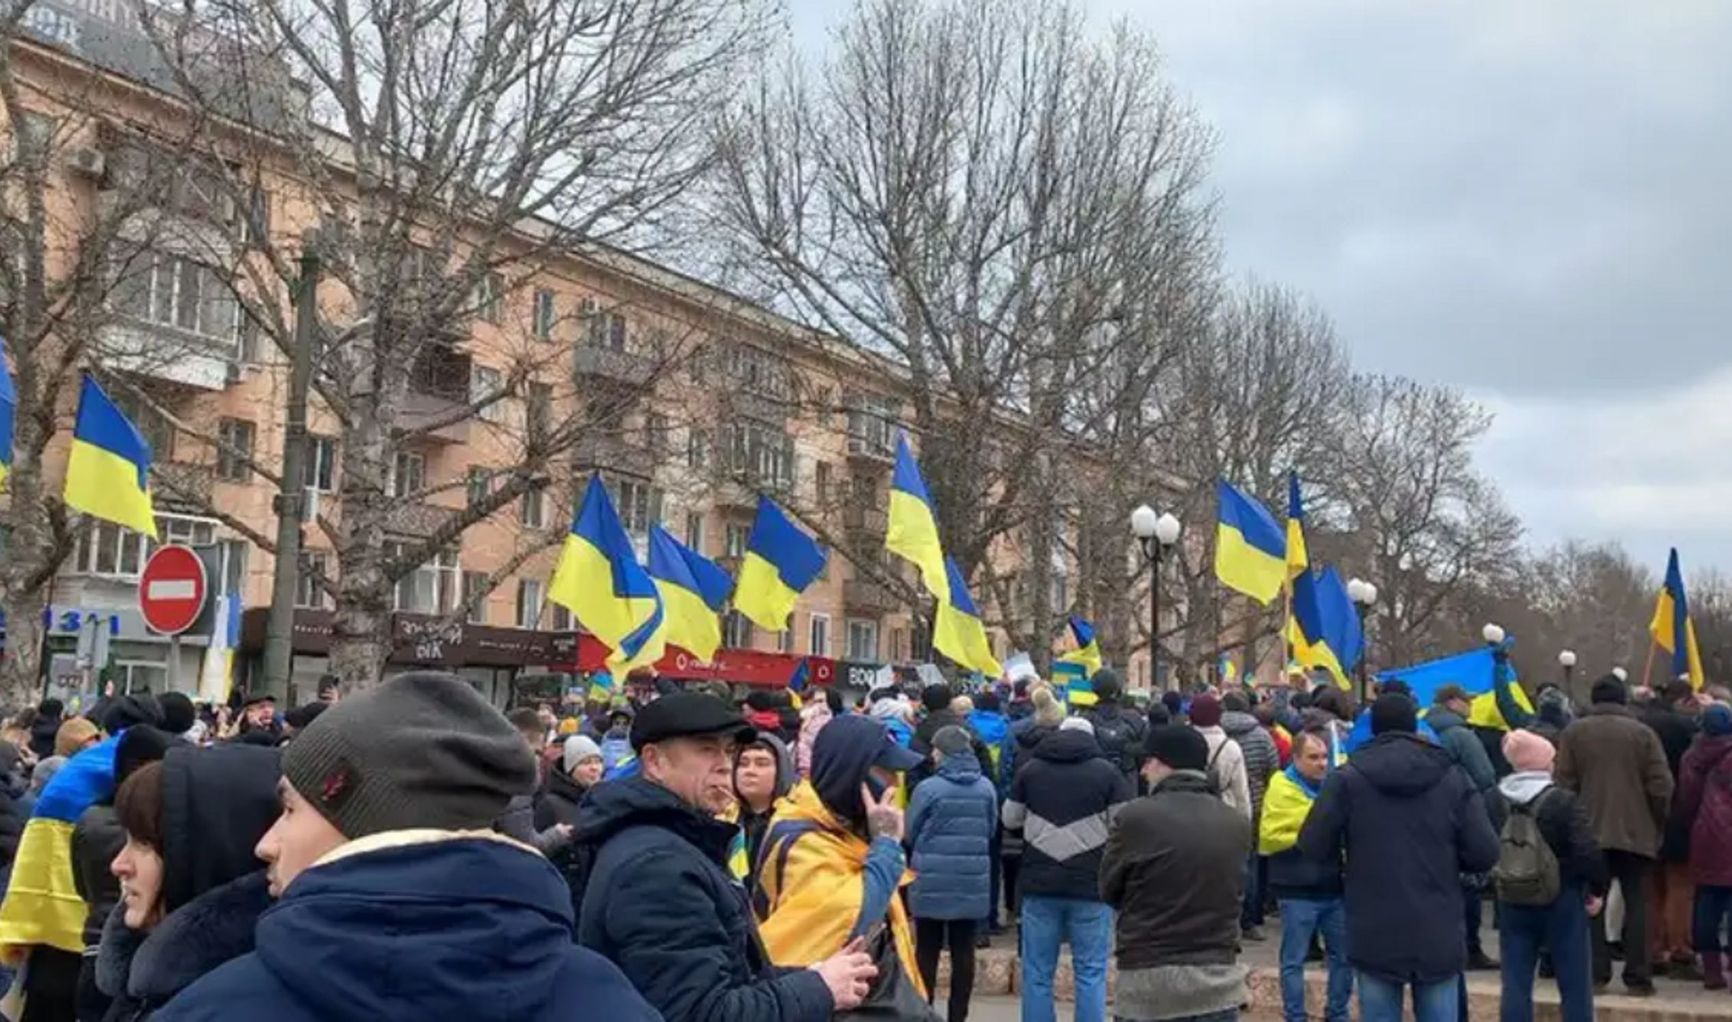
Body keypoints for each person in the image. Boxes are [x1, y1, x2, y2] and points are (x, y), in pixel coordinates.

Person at [155, 672, 657, 1021]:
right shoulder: (607, 997)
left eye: (289, 810)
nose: (266, 843)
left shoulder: (219, 1005)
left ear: (371, 827)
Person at [576, 692, 864, 1022]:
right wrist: (820, 989)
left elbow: (726, 973)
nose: (725, 764)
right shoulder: (658, 865)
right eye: (706, 749)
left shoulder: (674, 841)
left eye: (728, 751)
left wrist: (809, 977)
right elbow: (701, 1012)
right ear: (655, 762)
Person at [1299, 693, 1500, 1022]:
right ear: (1414, 725)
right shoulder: (1452, 776)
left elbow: (1313, 844)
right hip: (1438, 919)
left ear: (1374, 728)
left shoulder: (1348, 778)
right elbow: (1485, 852)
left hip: (1373, 921)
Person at [97, 742, 281, 1019]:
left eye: (144, 844)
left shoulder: (231, 1009)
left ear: (213, 852)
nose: (118, 865)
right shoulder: (151, 988)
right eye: (127, 840)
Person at [755, 715, 925, 992]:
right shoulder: (802, 838)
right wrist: (886, 845)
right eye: (887, 771)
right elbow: (849, 918)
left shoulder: (842, 829)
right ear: (857, 775)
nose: (895, 783)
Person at [1102, 724, 1252, 1022]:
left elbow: (1108, 888)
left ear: (1165, 763)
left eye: (1148, 761)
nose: (1143, 771)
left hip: (1148, 982)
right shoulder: (1235, 822)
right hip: (1218, 980)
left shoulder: (1135, 817)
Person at [1004, 714, 1133, 1022]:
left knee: (1036, 973)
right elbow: (1124, 823)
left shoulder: (1030, 770)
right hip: (1091, 885)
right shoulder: (1108, 773)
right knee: (1090, 971)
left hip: (1039, 883)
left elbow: (1010, 818)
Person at [1553, 674, 1672, 996]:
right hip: (1637, 831)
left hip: (1587, 831)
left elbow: (1563, 784)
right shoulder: (1643, 733)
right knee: (1637, 903)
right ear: (1623, 699)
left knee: (1592, 902)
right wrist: (1657, 822)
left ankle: (1595, 974)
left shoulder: (1574, 732)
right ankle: (1639, 976)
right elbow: (1661, 785)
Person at [1494, 729, 1605, 1022]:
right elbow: (1586, 851)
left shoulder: (1494, 799)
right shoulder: (1562, 800)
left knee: (1515, 980)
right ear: (1543, 762)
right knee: (1574, 980)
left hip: (1512, 896)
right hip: (1562, 896)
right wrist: (1596, 888)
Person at [906, 726, 997, 1022]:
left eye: (935, 749)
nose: (932, 754)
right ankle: (959, 1015)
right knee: (964, 949)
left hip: (931, 878)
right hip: (971, 879)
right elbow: (991, 828)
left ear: (943, 753)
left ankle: (924, 1011)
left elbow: (909, 831)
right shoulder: (986, 788)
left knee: (927, 950)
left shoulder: (928, 789)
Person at [1260, 730, 1350, 1022]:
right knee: (1293, 961)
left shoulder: (1336, 789)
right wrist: (1318, 822)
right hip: (1295, 887)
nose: (1322, 763)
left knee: (1343, 958)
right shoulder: (1281, 789)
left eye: (1325, 757)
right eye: (1313, 757)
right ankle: (1295, 1016)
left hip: (1334, 886)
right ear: (1296, 759)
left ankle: (1337, 1013)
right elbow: (1270, 836)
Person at [1429, 683, 1501, 972]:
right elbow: (1485, 777)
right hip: (1461, 813)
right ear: (1453, 703)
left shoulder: (1424, 730)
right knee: (1469, 884)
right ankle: (1470, 947)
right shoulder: (1461, 735)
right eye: (1466, 700)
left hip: (1429, 816)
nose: (1471, 705)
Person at [1640, 679, 1700, 979]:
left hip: (1641, 815)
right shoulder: (1685, 728)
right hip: (1678, 813)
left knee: (1651, 888)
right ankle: (1680, 949)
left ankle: (1654, 948)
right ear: (1686, 700)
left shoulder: (1639, 724)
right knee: (1680, 886)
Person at [1673, 702, 1732, 989]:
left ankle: (1711, 969)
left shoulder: (1692, 757)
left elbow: (1687, 798)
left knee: (1707, 900)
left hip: (1705, 833)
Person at [1222, 691, 1278, 942]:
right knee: (1251, 863)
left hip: (1220, 806)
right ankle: (1250, 919)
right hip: (1255, 805)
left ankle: (1225, 918)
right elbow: (1273, 770)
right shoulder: (1262, 736)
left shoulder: (1216, 735)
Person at [535, 734, 604, 917]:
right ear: (570, 768)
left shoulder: (602, 801)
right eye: (586, 763)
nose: (594, 768)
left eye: (598, 761)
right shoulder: (550, 804)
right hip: (563, 898)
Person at [494, 708, 574, 856]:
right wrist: (558, 834)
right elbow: (525, 846)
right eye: (537, 752)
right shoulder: (517, 783)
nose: (539, 760)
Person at [731, 732, 795, 881]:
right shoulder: (725, 820)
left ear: (781, 771)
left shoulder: (795, 824)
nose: (750, 771)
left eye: (762, 763)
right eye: (742, 763)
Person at [1189, 694, 1251, 821]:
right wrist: (1245, 821)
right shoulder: (1230, 747)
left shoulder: (1184, 741)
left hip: (1189, 810)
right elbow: (1240, 791)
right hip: (1224, 810)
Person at [1081, 669, 1148, 786]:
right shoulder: (1134, 718)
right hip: (1127, 784)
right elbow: (1145, 755)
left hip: (1094, 783)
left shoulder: (1085, 720)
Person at [795, 688, 839, 779]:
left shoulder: (828, 720)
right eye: (818, 701)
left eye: (823, 701)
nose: (821, 705)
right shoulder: (801, 718)